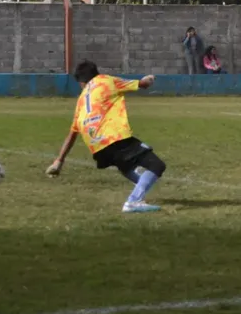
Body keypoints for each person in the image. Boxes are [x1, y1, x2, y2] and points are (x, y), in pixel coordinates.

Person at [45, 61, 166, 213]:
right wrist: (149, 78)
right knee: (157, 165)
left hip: (97, 148)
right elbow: (143, 84)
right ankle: (133, 201)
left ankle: (140, 190)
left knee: (127, 166)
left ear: (81, 82)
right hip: (114, 138)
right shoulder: (106, 81)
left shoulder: (82, 99)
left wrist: (59, 161)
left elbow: (73, 133)